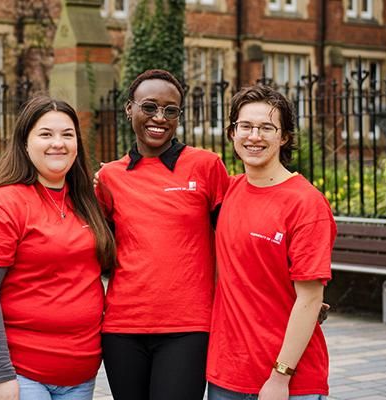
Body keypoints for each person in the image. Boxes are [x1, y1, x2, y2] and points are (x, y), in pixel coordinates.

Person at [0, 96, 116, 400]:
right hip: (19, 372)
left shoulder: (84, 202)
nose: (58, 143)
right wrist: (1, 377)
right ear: (24, 143)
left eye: (67, 134)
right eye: (45, 134)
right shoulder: (0, 204)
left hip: (78, 375)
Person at [93, 69, 230, 400]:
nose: (160, 118)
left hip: (188, 328)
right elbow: (89, 250)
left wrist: (291, 293)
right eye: (150, 106)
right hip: (122, 329)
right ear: (130, 109)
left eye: (171, 110)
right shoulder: (109, 178)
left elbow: (235, 241)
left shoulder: (207, 166)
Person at [206, 85, 336, 400]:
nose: (254, 136)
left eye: (267, 128)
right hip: (227, 375)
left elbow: (309, 299)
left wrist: (281, 376)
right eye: (246, 126)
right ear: (232, 133)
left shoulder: (305, 203)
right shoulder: (228, 190)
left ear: (284, 137)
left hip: (289, 381)